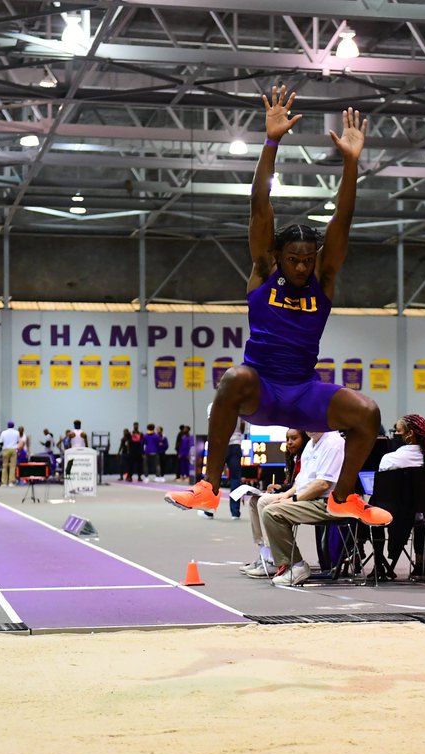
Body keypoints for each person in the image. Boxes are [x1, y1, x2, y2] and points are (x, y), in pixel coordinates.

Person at [165, 88, 389, 527]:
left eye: (309, 258)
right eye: (295, 259)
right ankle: (208, 487)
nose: (303, 265)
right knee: (233, 378)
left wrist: (351, 163)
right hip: (262, 387)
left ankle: (344, 497)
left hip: (304, 392)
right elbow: (259, 206)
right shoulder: (264, 270)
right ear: (279, 257)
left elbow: (341, 222)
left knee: (367, 413)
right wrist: (270, 144)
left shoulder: (323, 279)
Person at [260, 430, 347, 586]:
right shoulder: (311, 443)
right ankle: (271, 558)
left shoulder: (333, 443)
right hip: (309, 498)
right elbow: (301, 480)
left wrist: (293, 499)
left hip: (327, 503)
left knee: (272, 512)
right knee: (264, 502)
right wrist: (286, 495)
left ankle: (296, 565)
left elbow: (323, 484)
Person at [377, 414, 425, 578]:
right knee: (422, 513)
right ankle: (420, 564)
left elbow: (381, 494)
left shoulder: (389, 459)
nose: (395, 434)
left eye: (397, 431)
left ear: (409, 434)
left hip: (392, 514)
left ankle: (378, 565)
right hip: (418, 514)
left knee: (374, 509)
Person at [240, 428, 306, 578]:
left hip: (303, 496)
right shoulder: (292, 458)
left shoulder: (306, 456)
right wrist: (279, 488)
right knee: (254, 501)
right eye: (288, 439)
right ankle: (264, 553)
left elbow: (303, 484)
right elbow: (292, 483)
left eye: (294, 438)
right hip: (291, 493)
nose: (289, 442)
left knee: (263, 501)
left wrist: (282, 490)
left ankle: (273, 560)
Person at [0, 421, 20, 486]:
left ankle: (4, 482)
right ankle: (11, 482)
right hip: (13, 449)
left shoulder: (4, 432)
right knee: (12, 466)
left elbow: (0, 442)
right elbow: (17, 441)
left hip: (6, 449)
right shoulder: (17, 432)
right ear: (13, 426)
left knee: (4, 466)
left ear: (7, 426)